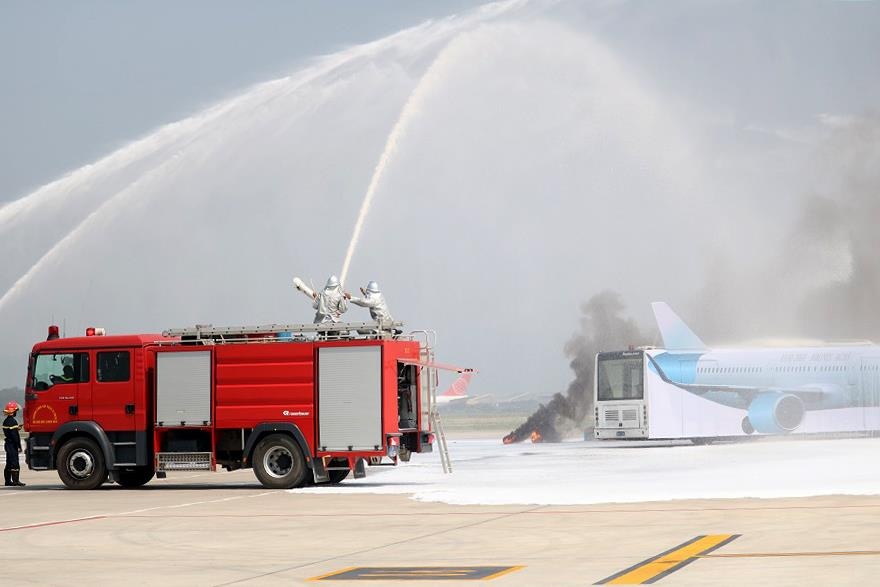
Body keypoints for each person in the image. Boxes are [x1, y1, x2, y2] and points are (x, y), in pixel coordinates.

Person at [3, 401, 25, 487]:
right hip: (12, 445)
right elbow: (15, 436)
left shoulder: (6, 421)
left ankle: (8, 481)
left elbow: (10, 432)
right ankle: (16, 481)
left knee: (8, 462)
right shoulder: (13, 421)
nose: (16, 412)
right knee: (15, 463)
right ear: (13, 411)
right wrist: (19, 446)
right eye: (16, 410)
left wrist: (17, 428)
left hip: (7, 444)